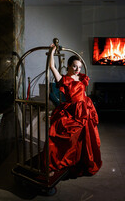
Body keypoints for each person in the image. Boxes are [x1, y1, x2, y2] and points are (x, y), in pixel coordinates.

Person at [42, 43, 102, 177]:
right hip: (72, 109)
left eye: (79, 67)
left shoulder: (81, 77)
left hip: (84, 109)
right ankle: (57, 162)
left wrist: (88, 105)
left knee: (85, 137)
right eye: (75, 66)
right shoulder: (64, 79)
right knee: (62, 134)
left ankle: (81, 161)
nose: (77, 69)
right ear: (68, 65)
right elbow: (52, 66)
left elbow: (84, 93)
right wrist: (51, 51)